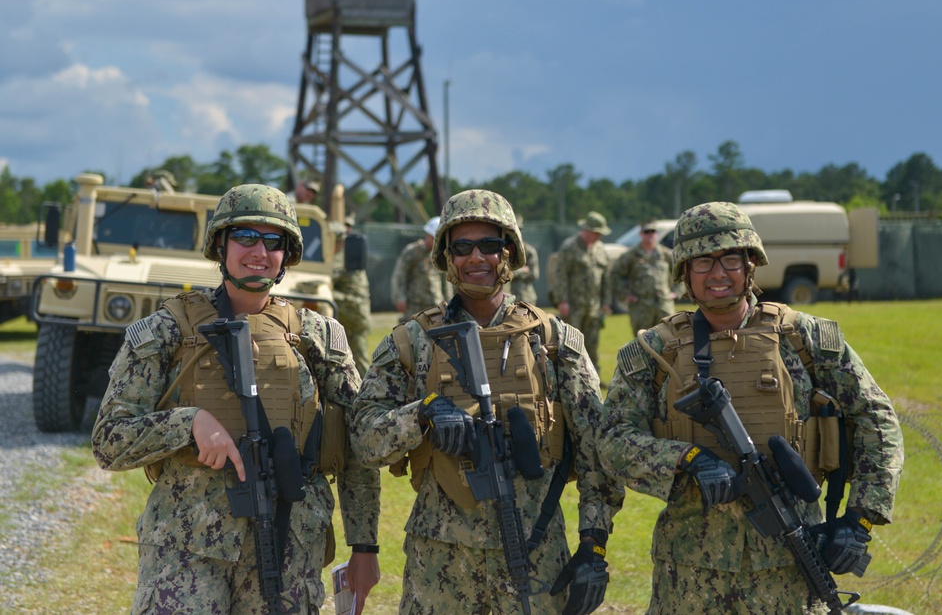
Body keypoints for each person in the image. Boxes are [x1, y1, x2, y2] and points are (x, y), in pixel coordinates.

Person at [598, 201, 903, 614]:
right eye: (702, 261)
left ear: (750, 265)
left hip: (789, 566)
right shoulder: (656, 350)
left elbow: (876, 419)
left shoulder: (804, 338)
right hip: (689, 572)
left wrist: (860, 520)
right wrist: (687, 458)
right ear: (685, 272)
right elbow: (612, 438)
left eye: (729, 258)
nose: (718, 273)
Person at [91, 184, 381, 614]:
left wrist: (365, 547)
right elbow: (108, 441)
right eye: (245, 236)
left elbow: (357, 448)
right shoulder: (167, 330)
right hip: (186, 547)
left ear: (287, 254)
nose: (258, 251)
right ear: (220, 245)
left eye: (273, 240)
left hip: (288, 550)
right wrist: (187, 423)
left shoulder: (318, 336)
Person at [351, 190, 623, 615]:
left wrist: (594, 544)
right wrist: (420, 412)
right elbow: (363, 438)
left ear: (509, 253)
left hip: (535, 551)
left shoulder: (554, 342)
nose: (477, 258)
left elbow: (599, 455)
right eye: (462, 247)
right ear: (447, 257)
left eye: (490, 245)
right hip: (440, 561)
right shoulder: (411, 342)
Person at [550, 211, 613, 378]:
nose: (599, 236)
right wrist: (562, 301)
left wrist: (606, 302)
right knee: (571, 344)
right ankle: (570, 378)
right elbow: (560, 275)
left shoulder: (600, 249)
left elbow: (605, 276)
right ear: (586, 230)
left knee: (592, 345)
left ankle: (593, 378)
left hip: (594, 307)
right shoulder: (570, 247)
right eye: (597, 233)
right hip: (574, 306)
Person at [610, 220, 681, 336]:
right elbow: (615, 275)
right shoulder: (631, 255)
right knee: (642, 342)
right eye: (646, 232)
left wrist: (676, 292)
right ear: (641, 234)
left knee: (668, 339)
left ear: (656, 234)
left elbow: (682, 272)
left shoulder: (665, 254)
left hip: (663, 305)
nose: (650, 235)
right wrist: (625, 295)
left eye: (652, 232)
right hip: (641, 306)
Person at [332, 215, 372, 376]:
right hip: (350, 314)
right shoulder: (344, 255)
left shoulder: (346, 257)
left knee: (359, 360)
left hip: (353, 313)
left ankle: (368, 393)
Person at [390, 215, 447, 320]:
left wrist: (449, 301)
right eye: (434, 238)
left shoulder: (441, 255)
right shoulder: (412, 252)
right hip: (415, 305)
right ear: (427, 235)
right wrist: (399, 298)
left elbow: (445, 280)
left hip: (436, 304)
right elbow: (400, 275)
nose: (437, 242)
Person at [509, 214, 540, 305]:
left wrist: (513, 273)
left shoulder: (528, 251)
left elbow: (534, 274)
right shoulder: (500, 249)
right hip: (505, 299)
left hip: (526, 299)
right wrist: (521, 270)